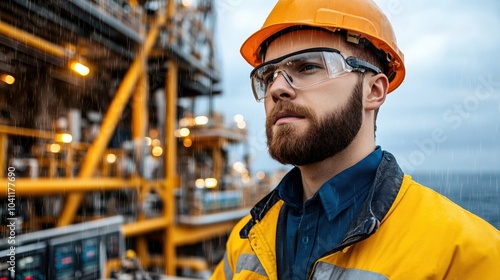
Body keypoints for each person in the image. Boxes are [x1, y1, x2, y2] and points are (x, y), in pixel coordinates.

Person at [211, 0, 500, 279]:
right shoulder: (244, 240)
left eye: (308, 67)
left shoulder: (465, 253)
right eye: (269, 75)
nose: (277, 89)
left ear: (374, 91)